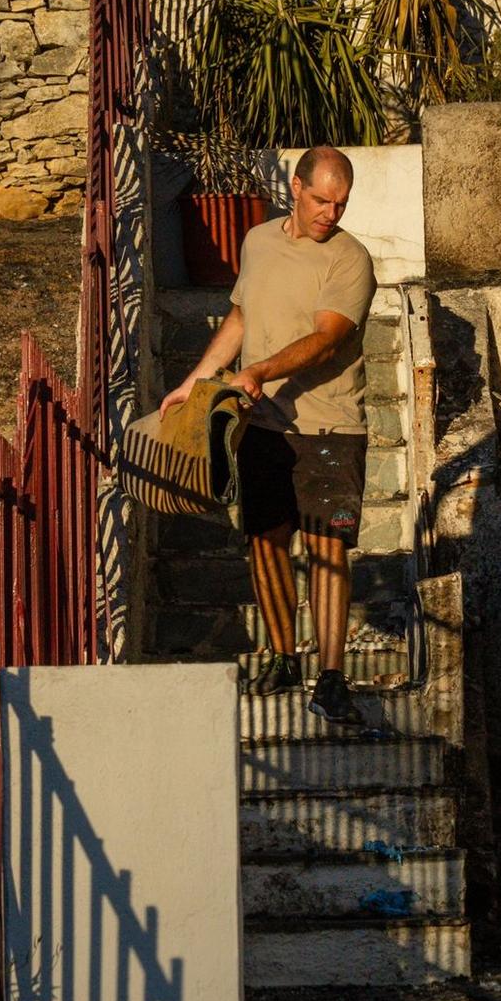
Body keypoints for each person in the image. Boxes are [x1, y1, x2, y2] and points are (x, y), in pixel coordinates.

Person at [160, 145, 376, 725]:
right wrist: (195, 381)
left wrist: (257, 372)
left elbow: (327, 339)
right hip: (261, 424)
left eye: (342, 203)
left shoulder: (351, 259)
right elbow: (240, 317)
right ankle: (283, 656)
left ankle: (331, 677)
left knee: (327, 549)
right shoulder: (257, 241)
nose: (332, 213)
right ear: (296, 188)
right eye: (322, 200)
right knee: (265, 541)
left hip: (329, 425)